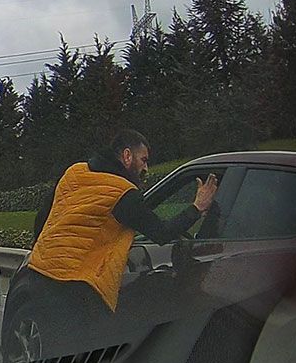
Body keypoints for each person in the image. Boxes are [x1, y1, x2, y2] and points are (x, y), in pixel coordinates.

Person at [26, 129, 219, 320]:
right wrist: (197, 207)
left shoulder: (74, 172)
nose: (146, 168)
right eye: (143, 160)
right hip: (77, 286)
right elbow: (162, 233)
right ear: (127, 156)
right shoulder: (123, 193)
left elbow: (43, 218)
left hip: (38, 273)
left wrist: (42, 254)